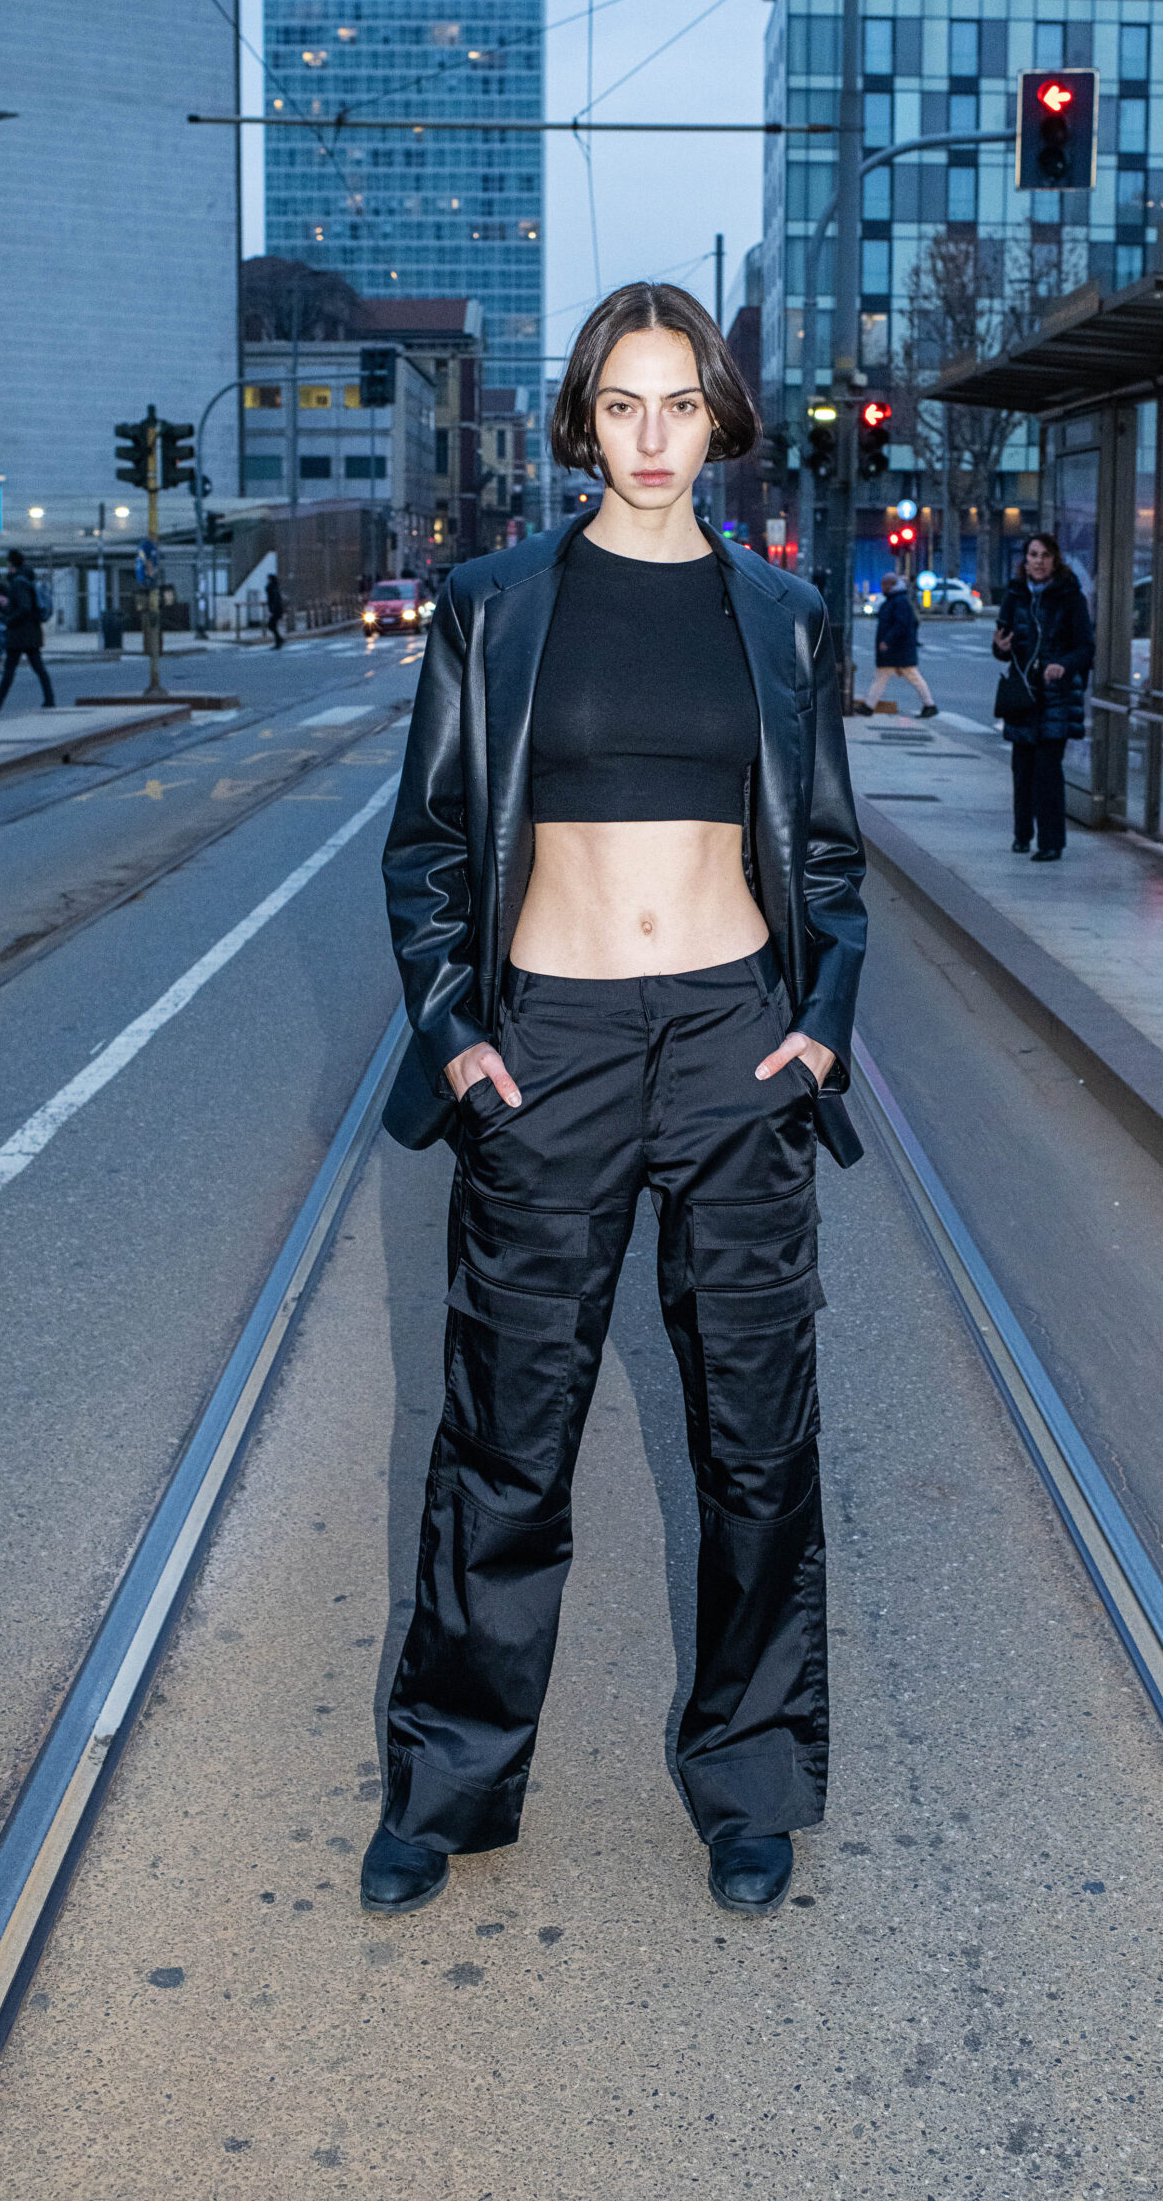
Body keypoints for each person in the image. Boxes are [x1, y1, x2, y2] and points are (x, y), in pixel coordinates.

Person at [366, 281, 867, 1925]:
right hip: (554, 1048)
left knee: (752, 1440)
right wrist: (455, 1033)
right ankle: (450, 1784)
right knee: (505, 1440)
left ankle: (749, 1779)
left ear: (720, 421)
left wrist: (816, 1031)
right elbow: (432, 844)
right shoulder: (495, 606)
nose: (652, 438)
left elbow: (833, 862)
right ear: (581, 421)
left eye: (681, 405)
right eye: (622, 405)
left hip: (733, 1047)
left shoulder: (785, 617)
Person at [991, 532, 1094, 862]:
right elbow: (1002, 645)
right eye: (1033, 555)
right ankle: (1022, 834)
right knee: (1022, 769)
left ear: (1055, 560)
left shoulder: (1070, 597)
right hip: (1023, 696)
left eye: (1044, 555)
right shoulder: (1015, 594)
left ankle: (1051, 842)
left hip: (1056, 698)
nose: (1037, 561)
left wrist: (1062, 665)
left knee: (1048, 771)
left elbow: (1085, 648)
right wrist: (1000, 647)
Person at [860, 572, 938, 718]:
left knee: (901, 677)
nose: (882, 587)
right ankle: (869, 706)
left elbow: (901, 625)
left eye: (884, 585)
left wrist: (887, 641)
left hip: (897, 649)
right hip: (898, 649)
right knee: (887, 677)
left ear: (891, 585)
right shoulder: (897, 600)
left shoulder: (898, 602)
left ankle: (929, 704)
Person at [0, 546, 55, 709]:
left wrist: (8, 620)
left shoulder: (18, 583)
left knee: (10, 670)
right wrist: (7, 605)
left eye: (8, 565)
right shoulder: (26, 580)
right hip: (30, 632)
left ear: (12, 565)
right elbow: (24, 605)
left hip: (20, 634)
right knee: (37, 669)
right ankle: (49, 700)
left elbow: (24, 607)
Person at [265, 569, 285, 648]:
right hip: (276, 610)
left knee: (271, 625)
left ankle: (279, 640)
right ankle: (279, 640)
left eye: (268, 579)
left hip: (276, 610)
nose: (267, 580)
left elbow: (275, 600)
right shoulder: (273, 588)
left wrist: (272, 610)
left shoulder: (273, 588)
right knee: (273, 625)